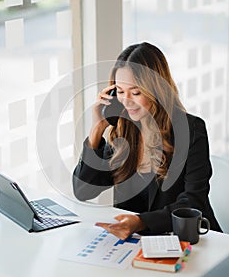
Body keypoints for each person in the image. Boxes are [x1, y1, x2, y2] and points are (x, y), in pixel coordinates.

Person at [73, 42, 222, 240]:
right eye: (119, 91)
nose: (126, 101)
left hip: (189, 238)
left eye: (136, 92)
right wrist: (97, 129)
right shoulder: (123, 130)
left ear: (156, 90)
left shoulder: (191, 130)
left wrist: (142, 222)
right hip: (139, 243)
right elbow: (83, 190)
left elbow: (193, 202)